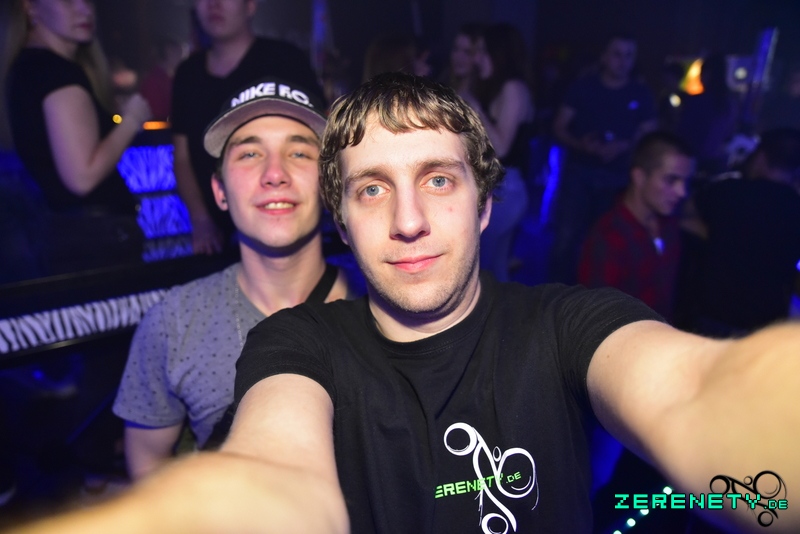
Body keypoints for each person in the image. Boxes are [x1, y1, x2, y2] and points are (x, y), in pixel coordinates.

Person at [10, 73, 800, 534]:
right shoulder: (299, 345)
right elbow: (274, 474)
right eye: (371, 189)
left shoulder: (568, 325)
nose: (410, 219)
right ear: (342, 218)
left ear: (485, 204)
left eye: (438, 179)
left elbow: (695, 393)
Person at [113, 77, 355, 480]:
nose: (275, 173)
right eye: (249, 154)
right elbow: (148, 466)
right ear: (219, 191)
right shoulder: (174, 323)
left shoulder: (385, 304)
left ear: (329, 184)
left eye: (299, 152)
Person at [4, 0, 152, 274]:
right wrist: (131, 120)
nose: (84, 10)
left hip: (71, 237)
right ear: (31, 7)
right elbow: (82, 177)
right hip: (96, 243)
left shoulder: (30, 67)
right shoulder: (54, 72)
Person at [171, 0, 322, 255]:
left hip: (287, 224)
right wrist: (201, 220)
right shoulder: (188, 73)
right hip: (215, 240)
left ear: (250, 5)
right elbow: (182, 158)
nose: (214, 4)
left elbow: (319, 139)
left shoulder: (285, 59)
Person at [550, 32, 657, 284]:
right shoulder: (584, 87)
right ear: (604, 57)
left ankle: (595, 298)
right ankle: (556, 296)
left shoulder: (641, 93)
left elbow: (650, 135)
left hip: (618, 178)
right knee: (566, 239)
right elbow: (559, 127)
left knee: (606, 243)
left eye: (629, 55)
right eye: (617, 54)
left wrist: (624, 146)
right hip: (580, 174)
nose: (623, 61)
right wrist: (581, 144)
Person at [688, 128, 800, 337]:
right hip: (765, 325)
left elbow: (685, 215)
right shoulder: (796, 208)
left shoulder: (728, 191)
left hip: (715, 315)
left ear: (761, 156)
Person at [579, 131, 695, 320]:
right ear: (639, 177)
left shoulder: (668, 226)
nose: (682, 192)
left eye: (685, 182)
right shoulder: (609, 237)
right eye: (671, 180)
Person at [466, 23, 534, 281]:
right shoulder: (498, 88)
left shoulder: (513, 88)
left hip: (508, 187)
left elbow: (502, 147)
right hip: (499, 185)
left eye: (483, 51)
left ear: (500, 54)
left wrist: (474, 108)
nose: (477, 59)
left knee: (483, 268)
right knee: (495, 267)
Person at [139, 37, 185, 121]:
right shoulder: (154, 80)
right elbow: (158, 114)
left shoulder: (169, 78)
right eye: (177, 53)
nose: (180, 58)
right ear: (169, 52)